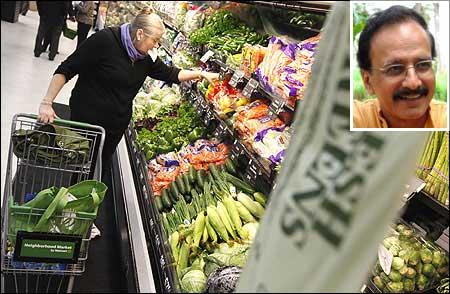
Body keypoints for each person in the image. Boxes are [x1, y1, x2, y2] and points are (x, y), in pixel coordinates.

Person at [37, 8, 219, 176]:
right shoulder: (105, 41)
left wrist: (201, 74)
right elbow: (66, 68)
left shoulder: (145, 58)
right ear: (140, 34)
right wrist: (47, 102)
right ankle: (73, 202)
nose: (156, 46)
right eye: (154, 40)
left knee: (100, 166)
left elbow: (172, 73)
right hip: (88, 123)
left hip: (115, 126)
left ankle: (87, 200)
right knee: (80, 165)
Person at [353, 5, 447, 128]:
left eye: (423, 65)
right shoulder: (355, 119)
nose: (413, 83)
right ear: (368, 81)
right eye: (395, 68)